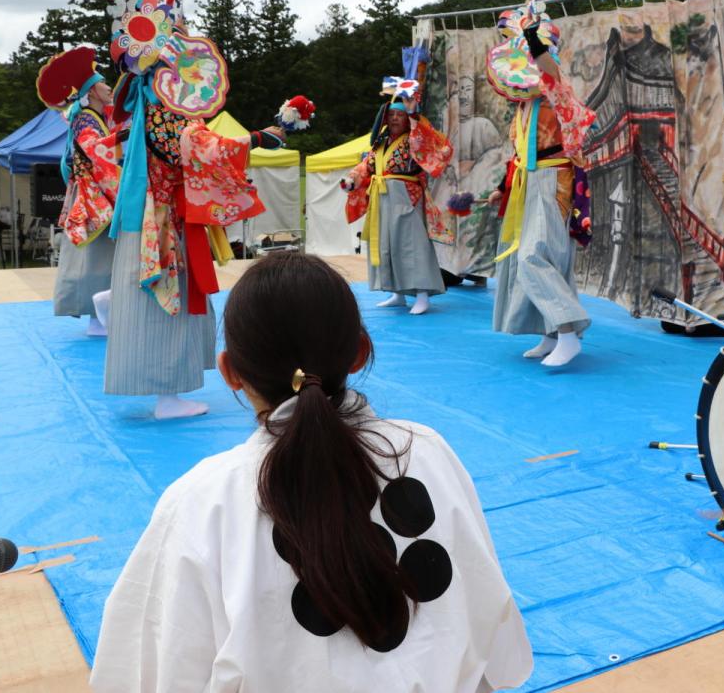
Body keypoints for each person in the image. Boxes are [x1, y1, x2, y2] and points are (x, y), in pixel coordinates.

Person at [91, 253, 533, 691]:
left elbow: (148, 667)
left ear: (229, 373)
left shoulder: (205, 500)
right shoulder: (426, 451)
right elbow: (490, 621)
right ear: (360, 352)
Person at [103, 0, 283, 420]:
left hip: (156, 215)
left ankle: (161, 381)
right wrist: (258, 138)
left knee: (159, 300)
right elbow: (195, 148)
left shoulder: (149, 102)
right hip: (162, 223)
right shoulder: (166, 107)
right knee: (169, 303)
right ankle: (167, 394)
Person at [487, 21, 596, 367]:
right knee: (548, 257)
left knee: (534, 255)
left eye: (533, 54)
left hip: (554, 178)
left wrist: (533, 41)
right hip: (529, 180)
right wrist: (501, 189)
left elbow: (550, 71)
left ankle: (567, 331)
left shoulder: (555, 90)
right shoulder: (524, 106)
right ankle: (550, 334)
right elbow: (519, 152)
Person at [35, 46, 118, 335]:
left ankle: (100, 317)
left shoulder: (92, 118)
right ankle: (99, 318)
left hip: (93, 196)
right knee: (96, 259)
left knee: (97, 259)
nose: (109, 87)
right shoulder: (86, 119)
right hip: (96, 199)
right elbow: (97, 153)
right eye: (104, 83)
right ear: (92, 91)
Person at [345, 94, 453, 315]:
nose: (395, 118)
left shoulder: (413, 137)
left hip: (406, 195)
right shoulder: (380, 142)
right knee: (387, 245)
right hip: (383, 197)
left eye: (400, 115)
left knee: (412, 245)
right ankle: (397, 293)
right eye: (392, 114)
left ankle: (422, 294)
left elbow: (427, 142)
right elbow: (366, 166)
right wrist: (351, 180)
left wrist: (414, 115)